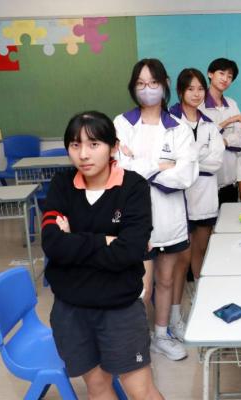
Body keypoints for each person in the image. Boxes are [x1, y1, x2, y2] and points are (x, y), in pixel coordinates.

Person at [42, 111, 163, 399]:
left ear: (113, 147)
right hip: (71, 310)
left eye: (94, 144)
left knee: (141, 390)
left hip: (119, 308)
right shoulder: (62, 184)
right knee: (97, 387)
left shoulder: (133, 187)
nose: (83, 154)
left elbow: (130, 250)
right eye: (75, 145)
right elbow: (52, 244)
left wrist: (74, 240)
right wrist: (106, 240)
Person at [114, 58, 198, 361]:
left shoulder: (179, 128)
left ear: (164, 85)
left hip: (169, 217)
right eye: (140, 84)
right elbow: (118, 168)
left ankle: (161, 335)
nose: (147, 89)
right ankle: (137, 339)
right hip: (132, 219)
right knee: (140, 286)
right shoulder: (122, 124)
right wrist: (160, 166)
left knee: (165, 280)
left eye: (153, 83)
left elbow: (185, 175)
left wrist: (137, 164)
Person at [169, 68, 225, 339]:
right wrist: (196, 157)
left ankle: (201, 301)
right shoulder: (169, 121)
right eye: (190, 89)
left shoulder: (210, 124)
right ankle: (175, 316)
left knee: (201, 251)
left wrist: (188, 161)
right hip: (176, 198)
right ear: (181, 91)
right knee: (182, 258)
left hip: (204, 197)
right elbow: (168, 162)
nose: (196, 93)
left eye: (200, 88)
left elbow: (216, 162)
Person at [199, 57, 241, 204]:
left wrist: (223, 141)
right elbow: (201, 142)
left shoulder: (232, 104)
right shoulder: (198, 104)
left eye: (230, 76)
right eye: (221, 73)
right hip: (205, 182)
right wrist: (228, 126)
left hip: (230, 182)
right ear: (210, 74)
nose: (225, 79)